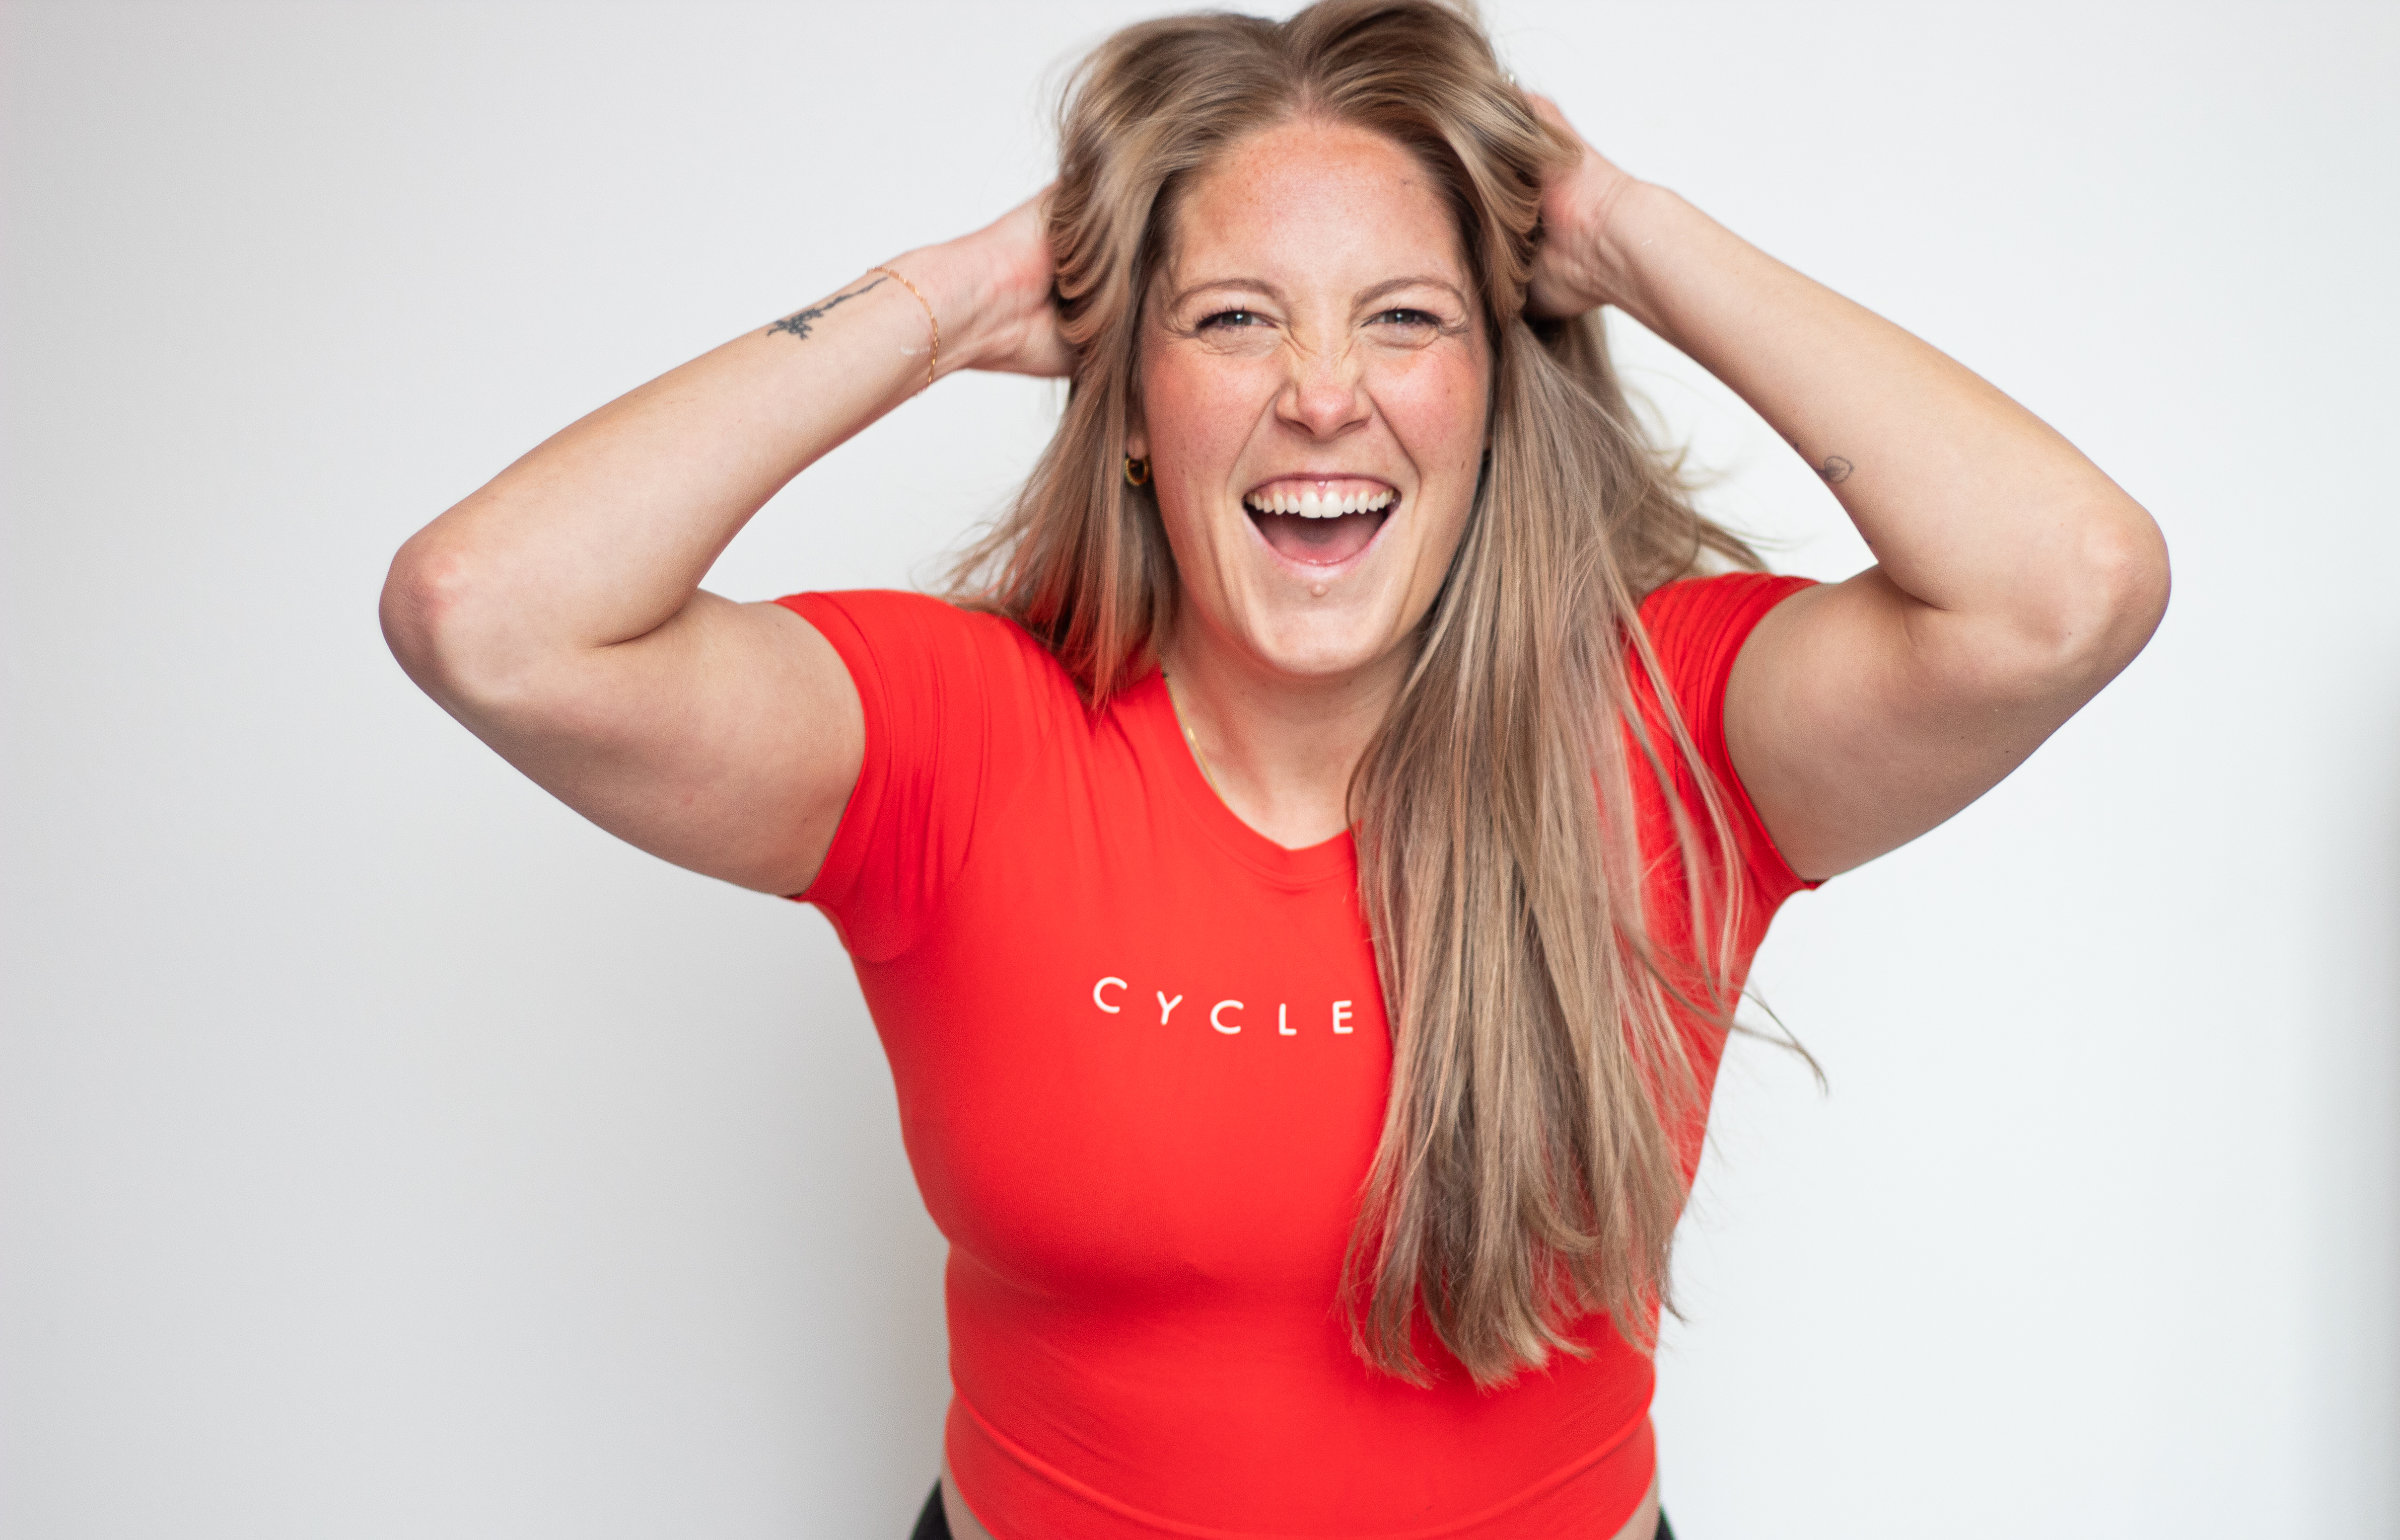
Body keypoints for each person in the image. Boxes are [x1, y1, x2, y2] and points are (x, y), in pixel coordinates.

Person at [379, 1, 2168, 1534]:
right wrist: (952, 295)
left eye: (1406, 318)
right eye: (1233, 318)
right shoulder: (962, 738)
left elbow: (2064, 585)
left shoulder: (1673, 737)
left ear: (1496, 384)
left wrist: (1623, 233)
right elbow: (489, 613)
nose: (1323, 392)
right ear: (1133, 404)